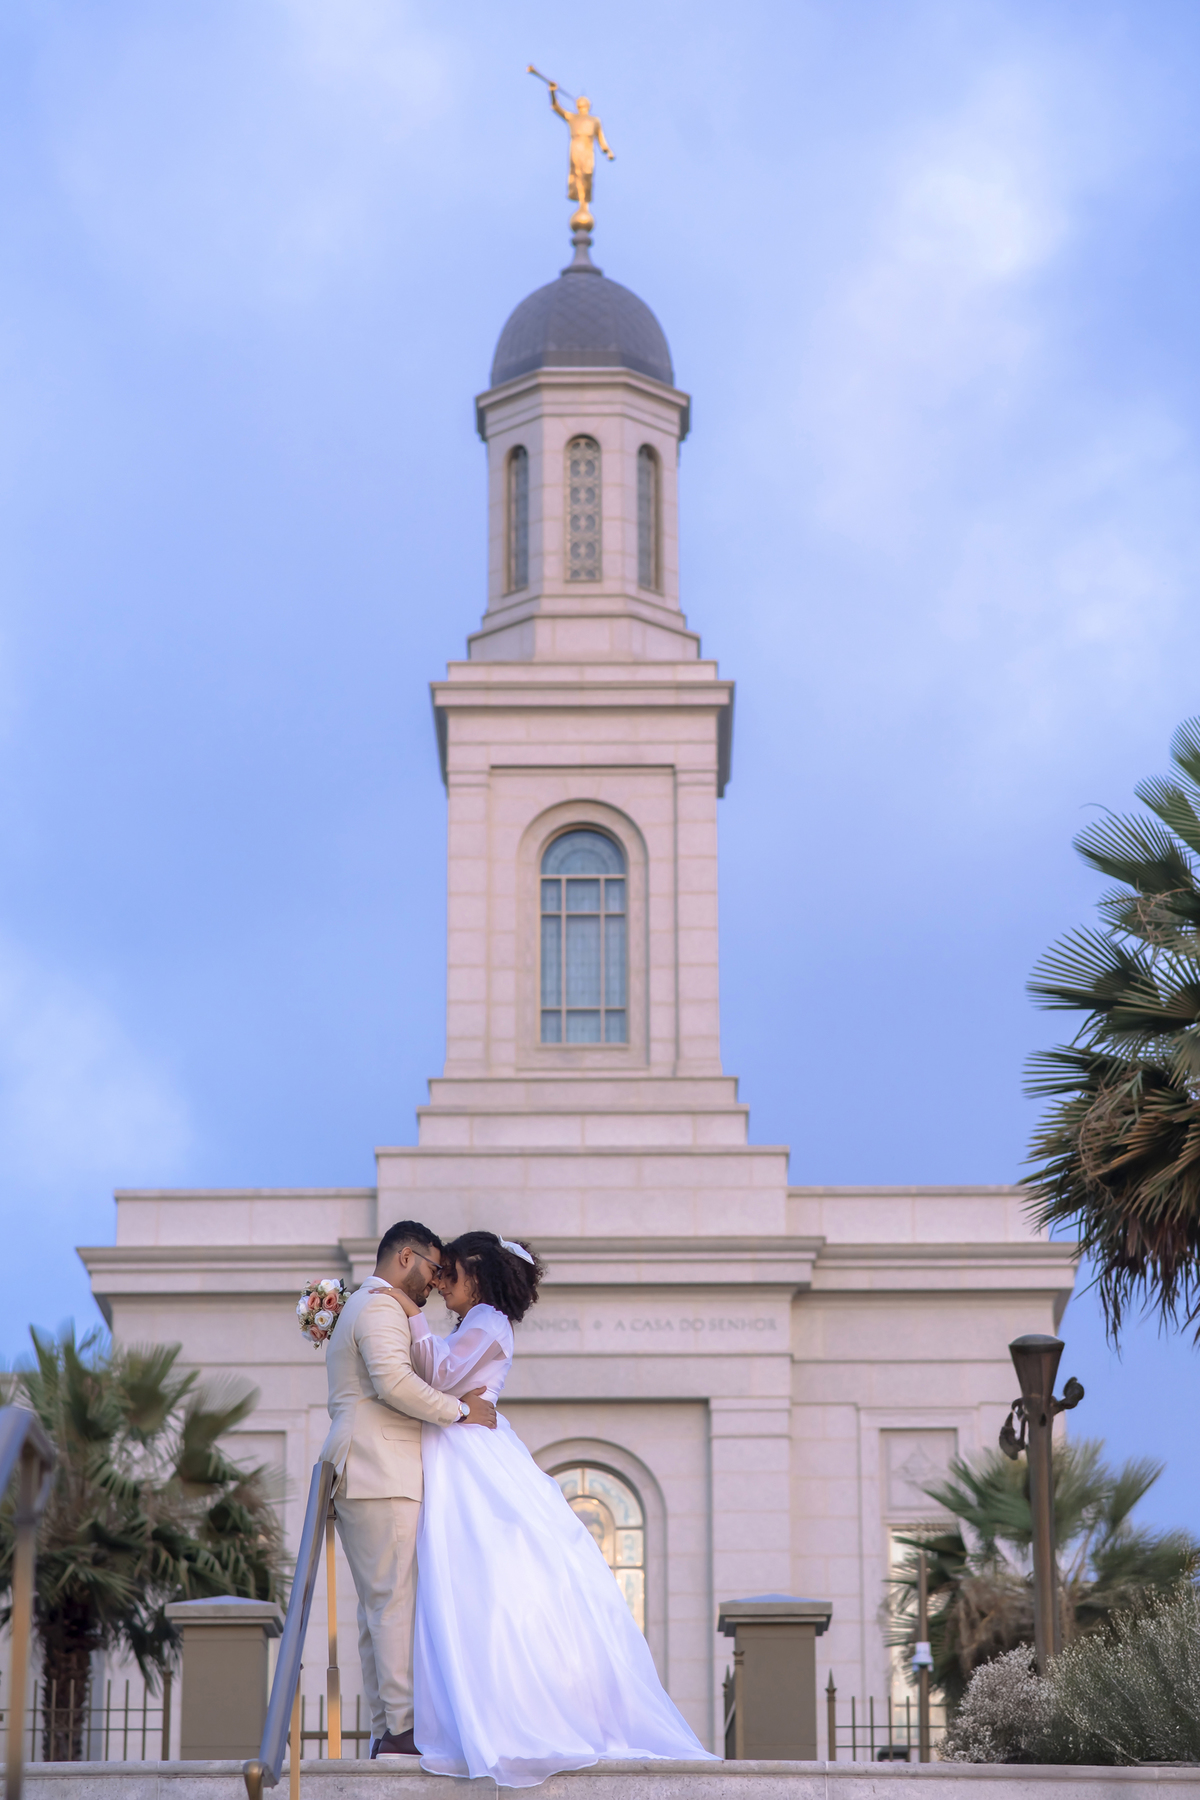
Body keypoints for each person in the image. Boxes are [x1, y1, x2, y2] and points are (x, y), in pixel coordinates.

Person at [383, 1230, 717, 1787]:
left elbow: (438, 1375)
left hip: (470, 1454)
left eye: (451, 1274)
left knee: (477, 1578)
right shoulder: (474, 1322)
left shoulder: (487, 1320)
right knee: (458, 1583)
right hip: (457, 1442)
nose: (441, 1284)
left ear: (480, 1277)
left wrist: (405, 1308)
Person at [318, 1220, 497, 1758]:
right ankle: (401, 1729)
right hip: (380, 1469)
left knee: (379, 1607)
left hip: (368, 1470)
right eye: (433, 1269)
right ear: (405, 1258)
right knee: (393, 1603)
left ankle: (387, 1729)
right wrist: (462, 1411)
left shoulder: (368, 1306)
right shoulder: (378, 1307)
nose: (434, 1283)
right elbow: (393, 1382)